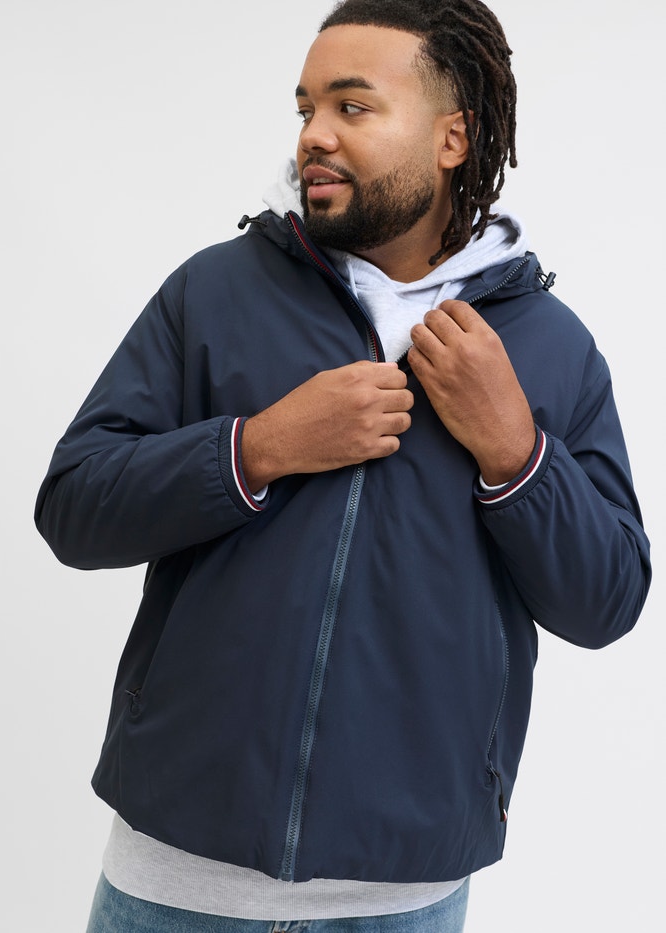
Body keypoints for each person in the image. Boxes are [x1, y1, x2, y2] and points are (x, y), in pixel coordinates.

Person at [35, 0, 651, 930]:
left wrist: (516, 452)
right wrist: (260, 446)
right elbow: (75, 506)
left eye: (352, 107)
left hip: (405, 899)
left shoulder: (548, 348)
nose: (313, 135)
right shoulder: (215, 292)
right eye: (306, 107)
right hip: (176, 881)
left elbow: (607, 602)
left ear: (453, 138)